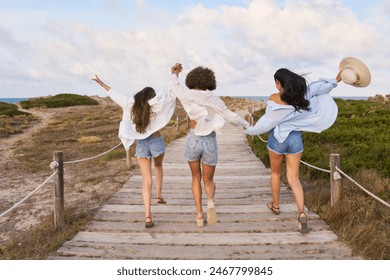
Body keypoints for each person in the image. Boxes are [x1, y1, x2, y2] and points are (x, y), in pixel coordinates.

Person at [245, 68, 342, 234]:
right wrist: (338, 78)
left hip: (277, 139)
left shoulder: (274, 99)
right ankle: (302, 213)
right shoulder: (305, 93)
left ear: (280, 83)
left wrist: (249, 129)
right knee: (294, 178)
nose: (275, 85)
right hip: (295, 139)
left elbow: (266, 123)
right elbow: (324, 87)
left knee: (276, 173)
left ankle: (275, 206)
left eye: (276, 82)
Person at [170, 63, 249, 227]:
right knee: (208, 180)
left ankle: (199, 215)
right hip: (210, 141)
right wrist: (248, 126)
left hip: (193, 139)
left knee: (195, 178)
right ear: (209, 81)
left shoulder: (186, 94)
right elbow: (231, 117)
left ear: (192, 80)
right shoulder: (215, 99)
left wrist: (174, 73)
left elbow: (174, 86)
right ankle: (211, 200)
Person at [92, 75, 176, 228]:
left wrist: (101, 83)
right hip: (156, 141)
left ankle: (148, 216)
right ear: (152, 97)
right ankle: (159, 195)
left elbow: (114, 94)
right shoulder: (156, 105)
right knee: (158, 166)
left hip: (142, 144)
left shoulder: (131, 105)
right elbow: (170, 94)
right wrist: (174, 74)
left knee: (146, 180)